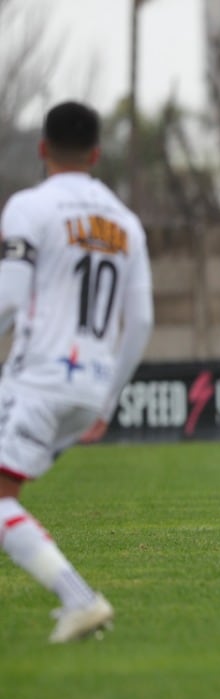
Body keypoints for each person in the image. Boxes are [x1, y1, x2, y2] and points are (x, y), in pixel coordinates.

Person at [0, 101, 154, 641]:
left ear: (42, 149)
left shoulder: (29, 207)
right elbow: (141, 322)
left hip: (36, 378)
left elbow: (9, 299)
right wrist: (107, 402)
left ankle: (80, 599)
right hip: (89, 387)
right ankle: (78, 600)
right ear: (96, 154)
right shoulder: (126, 224)